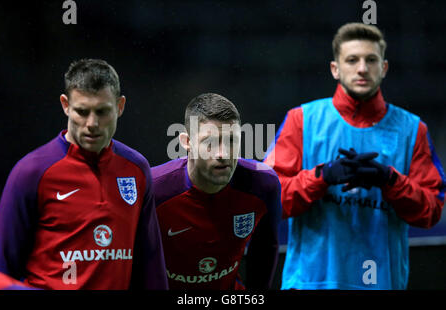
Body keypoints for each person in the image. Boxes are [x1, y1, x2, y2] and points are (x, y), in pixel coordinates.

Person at [264, 23, 445, 290]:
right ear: (335, 69)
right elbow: (270, 200)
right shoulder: (301, 120)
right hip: (310, 284)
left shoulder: (412, 129)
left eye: (371, 60)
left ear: (383, 68)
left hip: (383, 284)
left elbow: (431, 211)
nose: (362, 68)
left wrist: (389, 180)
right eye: (352, 60)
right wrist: (321, 176)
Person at [0, 59, 168, 290]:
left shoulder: (136, 169)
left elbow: (151, 267)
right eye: (82, 111)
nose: (92, 123)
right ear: (66, 105)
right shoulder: (31, 172)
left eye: (102, 111)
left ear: (120, 106)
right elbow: (0, 271)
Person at [152, 93, 282, 289]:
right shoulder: (153, 189)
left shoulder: (263, 185)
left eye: (231, 140)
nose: (222, 153)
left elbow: (265, 250)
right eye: (209, 142)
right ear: (186, 142)